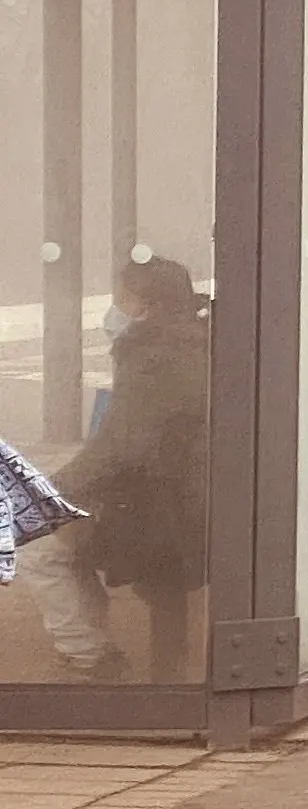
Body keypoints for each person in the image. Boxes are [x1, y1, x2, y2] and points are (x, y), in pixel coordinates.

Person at [36, 256, 210, 684]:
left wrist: (55, 487)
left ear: (145, 307)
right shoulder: (197, 342)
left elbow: (122, 447)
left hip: (148, 511)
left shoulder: (151, 357)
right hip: (187, 502)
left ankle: (90, 657)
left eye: (122, 299)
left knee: (35, 543)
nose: (116, 309)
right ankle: (106, 652)